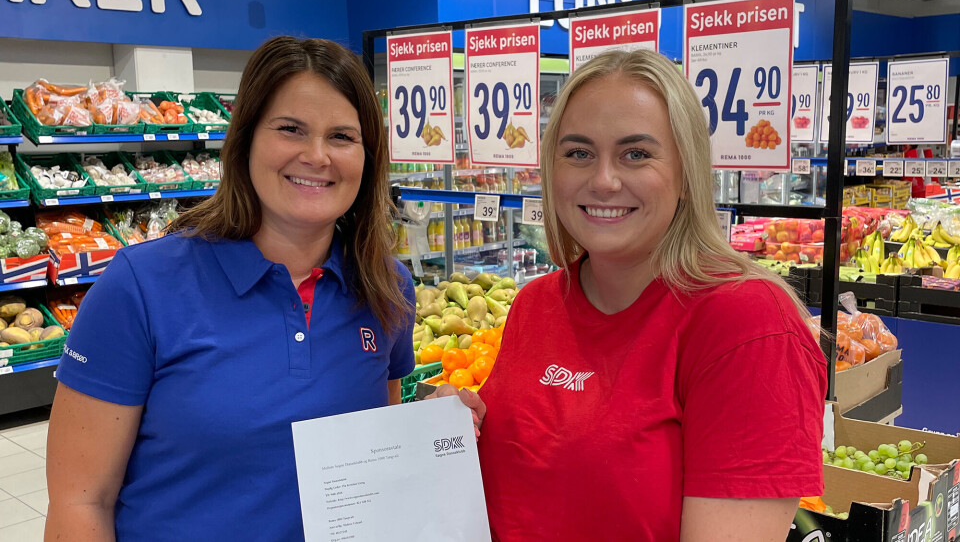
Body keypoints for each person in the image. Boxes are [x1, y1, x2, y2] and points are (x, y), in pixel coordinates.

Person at [435, 49, 827, 541]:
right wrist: (453, 432)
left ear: (686, 174)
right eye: (579, 153)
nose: (603, 180)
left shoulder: (748, 326)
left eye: (636, 154)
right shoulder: (536, 304)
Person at [45, 36, 416, 540]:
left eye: (342, 136)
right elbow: (80, 502)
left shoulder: (386, 288)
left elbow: (377, 456)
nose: (317, 156)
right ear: (246, 139)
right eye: (290, 129)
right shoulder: (140, 287)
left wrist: (448, 430)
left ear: (368, 157)